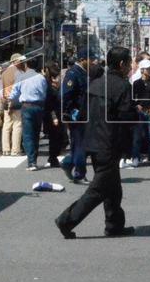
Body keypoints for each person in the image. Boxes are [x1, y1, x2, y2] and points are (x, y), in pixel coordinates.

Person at [55, 46, 136, 239]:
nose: (130, 66)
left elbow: (83, 114)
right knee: (99, 189)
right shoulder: (123, 86)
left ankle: (115, 225)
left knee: (113, 187)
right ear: (122, 64)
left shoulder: (95, 83)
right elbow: (126, 119)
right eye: (129, 62)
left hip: (92, 141)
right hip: (109, 143)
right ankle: (66, 220)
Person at [9, 57, 47, 171]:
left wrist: (9, 101)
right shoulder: (41, 77)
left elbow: (14, 93)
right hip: (39, 106)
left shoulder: (21, 77)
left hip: (27, 106)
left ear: (26, 64)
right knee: (36, 134)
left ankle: (32, 162)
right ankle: (34, 158)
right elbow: (44, 92)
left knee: (28, 135)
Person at [61, 50, 91, 182]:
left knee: (78, 145)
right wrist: (66, 114)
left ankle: (68, 163)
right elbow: (66, 95)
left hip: (85, 113)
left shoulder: (84, 73)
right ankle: (79, 173)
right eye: (91, 59)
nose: (93, 63)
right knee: (80, 145)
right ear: (83, 59)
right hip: (76, 115)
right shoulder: (73, 73)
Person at [0, 54, 26, 156]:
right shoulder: (19, 72)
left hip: (5, 100)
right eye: (20, 61)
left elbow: (0, 88)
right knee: (17, 125)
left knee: (6, 125)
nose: (22, 62)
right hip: (16, 100)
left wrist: (3, 99)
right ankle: (15, 150)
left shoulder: (4, 72)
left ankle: (5, 149)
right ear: (15, 61)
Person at [42, 64, 65, 168]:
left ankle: (53, 157)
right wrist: (54, 117)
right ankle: (53, 158)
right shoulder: (48, 86)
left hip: (54, 113)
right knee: (55, 137)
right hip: (53, 114)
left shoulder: (49, 84)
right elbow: (49, 104)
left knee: (56, 137)